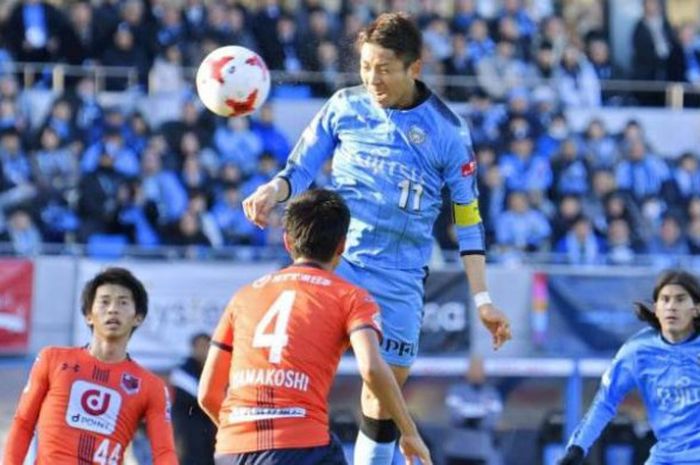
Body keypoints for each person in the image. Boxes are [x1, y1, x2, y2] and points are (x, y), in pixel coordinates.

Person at [242, 12, 511, 464]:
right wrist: (274, 189)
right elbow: (301, 167)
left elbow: (468, 219)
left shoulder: (448, 133)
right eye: (366, 66)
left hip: (400, 280)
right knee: (293, 370)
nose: (372, 78)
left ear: (415, 69)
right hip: (334, 263)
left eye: (384, 69)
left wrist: (482, 299)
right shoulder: (345, 106)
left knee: (382, 397)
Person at [198, 189, 432, 465]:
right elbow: (371, 367)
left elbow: (207, 394)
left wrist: (239, 439)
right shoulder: (351, 297)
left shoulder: (243, 296)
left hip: (230, 450)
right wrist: (408, 431)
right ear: (342, 246)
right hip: (301, 446)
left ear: (287, 241)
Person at [2, 267, 178, 465]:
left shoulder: (151, 386)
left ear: (138, 317)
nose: (113, 309)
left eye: (123, 302)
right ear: (88, 315)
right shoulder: (52, 359)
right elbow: (23, 423)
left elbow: (164, 453)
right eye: (104, 301)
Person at [558, 269, 700, 465]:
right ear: (656, 309)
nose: (671, 307)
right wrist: (577, 448)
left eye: (680, 299)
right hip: (665, 458)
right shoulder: (638, 350)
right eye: (665, 300)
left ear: (696, 309)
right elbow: (605, 402)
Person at [170, 332, 216, 465]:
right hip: (189, 431)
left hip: (210, 431)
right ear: (193, 348)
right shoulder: (182, 373)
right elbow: (202, 397)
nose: (204, 350)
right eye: (200, 346)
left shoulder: (215, 369)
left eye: (207, 346)